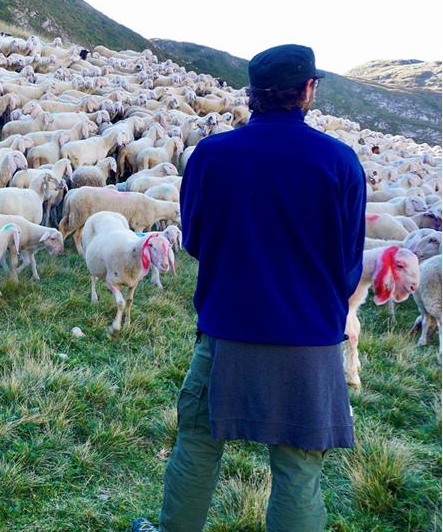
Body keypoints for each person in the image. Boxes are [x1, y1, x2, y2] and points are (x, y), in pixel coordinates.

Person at [131, 45, 366, 532]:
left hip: (226, 333)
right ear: (307, 90)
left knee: (198, 443)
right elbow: (349, 262)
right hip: (310, 339)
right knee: (299, 469)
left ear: (252, 93)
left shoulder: (211, 156)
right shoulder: (340, 162)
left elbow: (193, 239)